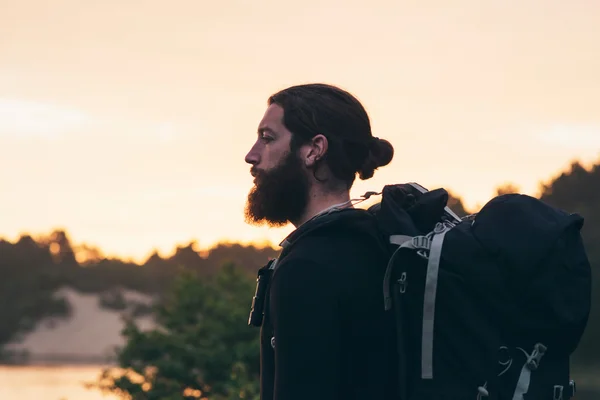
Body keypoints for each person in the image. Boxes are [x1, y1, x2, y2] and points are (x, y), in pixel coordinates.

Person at [244, 83, 398, 400]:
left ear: (314, 149)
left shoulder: (306, 268)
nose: (251, 155)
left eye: (267, 138)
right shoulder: (377, 244)